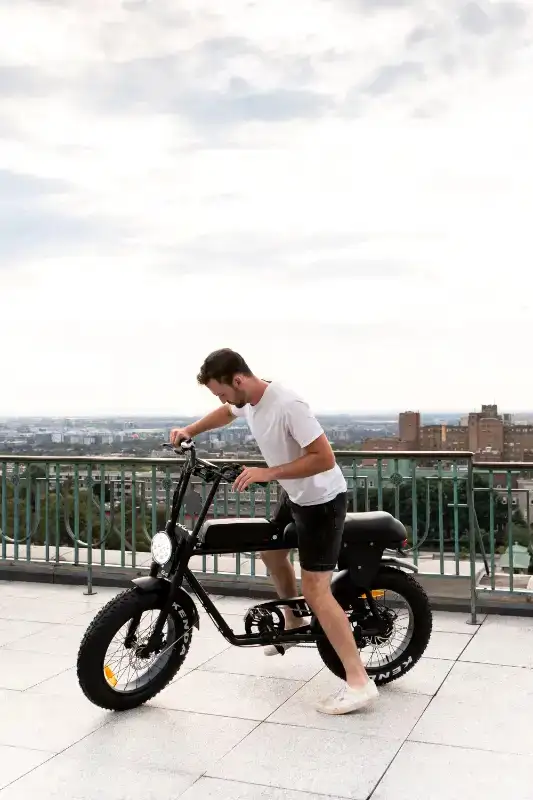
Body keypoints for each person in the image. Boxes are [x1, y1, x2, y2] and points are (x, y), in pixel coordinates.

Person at [170, 348, 378, 715]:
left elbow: (324, 458)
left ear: (238, 380)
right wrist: (190, 430)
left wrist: (268, 473)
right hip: (296, 494)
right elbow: (227, 412)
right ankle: (294, 619)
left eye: (222, 391)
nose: (221, 400)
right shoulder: (247, 401)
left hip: (322, 501)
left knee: (316, 590)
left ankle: (360, 683)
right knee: (270, 549)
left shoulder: (287, 404)